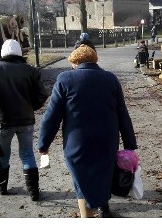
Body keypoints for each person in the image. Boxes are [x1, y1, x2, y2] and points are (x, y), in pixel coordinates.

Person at [38, 44, 137, 218]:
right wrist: (129, 144)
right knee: (102, 175)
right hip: (106, 142)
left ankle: (87, 217)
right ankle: (101, 206)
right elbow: (123, 114)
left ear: (75, 62)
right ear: (94, 60)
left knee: (82, 182)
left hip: (77, 144)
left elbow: (51, 116)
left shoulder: (65, 79)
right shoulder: (110, 79)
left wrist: (44, 144)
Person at [0, 39, 49, 201]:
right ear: (19, 53)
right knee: (27, 154)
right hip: (26, 120)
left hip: (1, 121)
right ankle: (34, 191)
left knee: (2, 155)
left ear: (2, 53)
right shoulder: (31, 70)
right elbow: (42, 95)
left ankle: (2, 186)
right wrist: (31, 107)